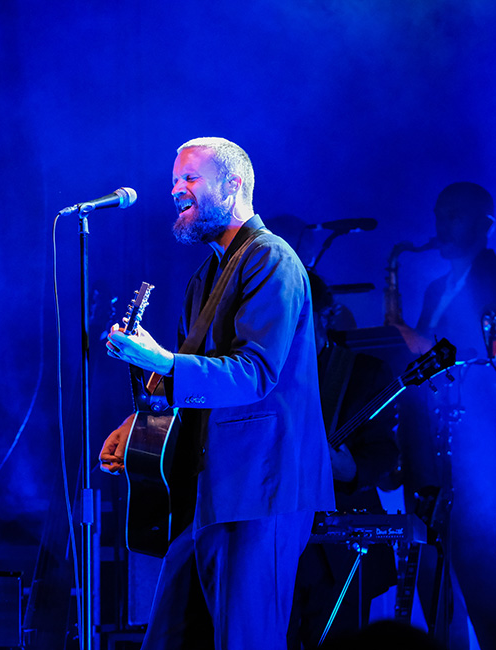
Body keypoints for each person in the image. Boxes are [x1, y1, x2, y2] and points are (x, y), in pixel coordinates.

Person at [99, 137, 335, 650]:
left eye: (190, 179)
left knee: (247, 641)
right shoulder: (206, 275)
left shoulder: (271, 259)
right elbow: (196, 380)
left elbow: (254, 373)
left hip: (260, 491)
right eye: (175, 180)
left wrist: (161, 360)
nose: (175, 190)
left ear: (233, 185)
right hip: (211, 492)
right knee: (168, 639)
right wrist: (136, 424)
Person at [392, 182, 496, 650]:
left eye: (454, 215)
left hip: (475, 451)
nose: (440, 225)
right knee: (431, 569)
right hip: (426, 448)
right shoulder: (435, 288)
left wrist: (420, 345)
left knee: (476, 561)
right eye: (439, 213)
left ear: (485, 224)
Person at [289, 271, 400, 649]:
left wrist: (351, 469)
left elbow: (385, 451)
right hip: (277, 542)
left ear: (325, 315)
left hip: (341, 551)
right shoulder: (261, 376)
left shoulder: (363, 373)